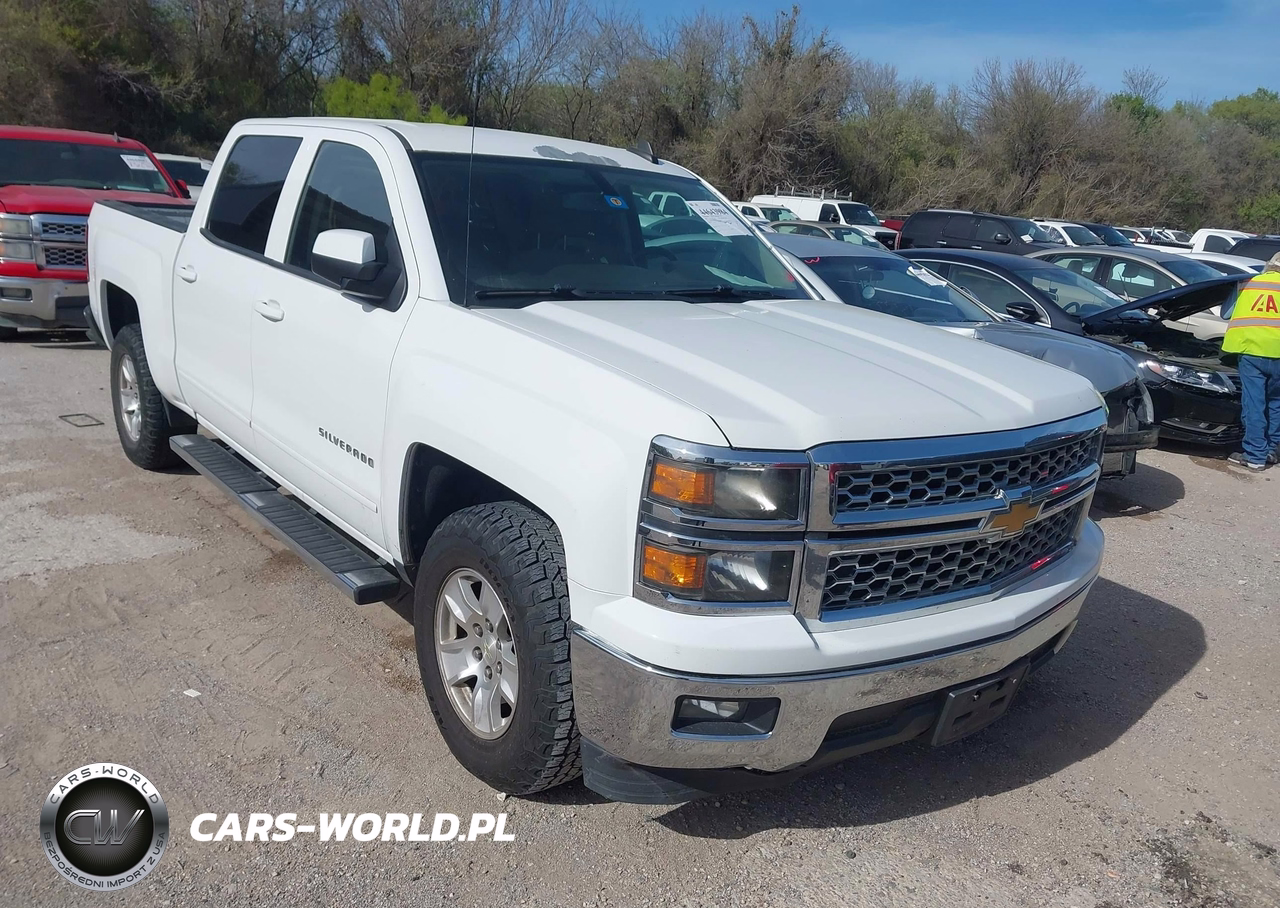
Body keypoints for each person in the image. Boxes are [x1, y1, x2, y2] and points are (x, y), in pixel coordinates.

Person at [1223, 252, 1280, 470]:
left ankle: (1255, 455)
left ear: (1269, 266)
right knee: (1276, 403)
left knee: (1255, 404)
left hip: (1252, 351)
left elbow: (1226, 313)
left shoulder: (1248, 283)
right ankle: (1272, 451)